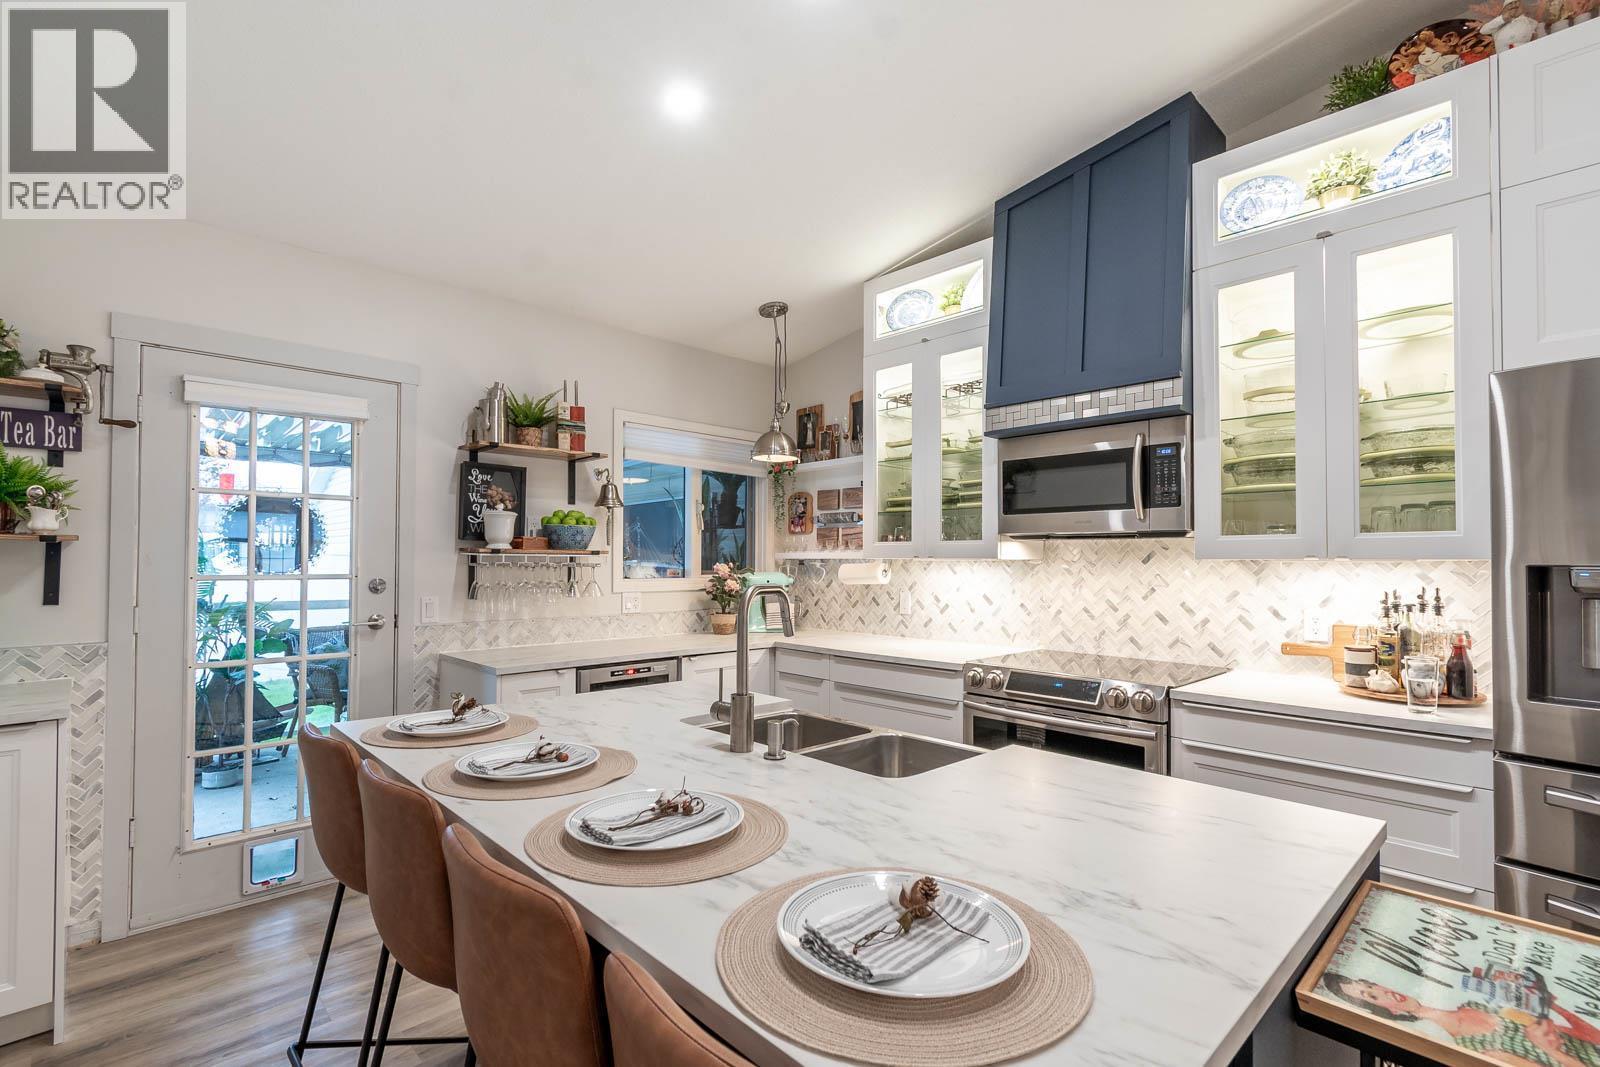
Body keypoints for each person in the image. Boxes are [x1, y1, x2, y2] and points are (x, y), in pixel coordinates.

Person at [1322, 971, 1600, 1067]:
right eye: (1372, 996)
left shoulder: (1470, 1003)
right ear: (1390, 1012)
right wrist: (1552, 1051)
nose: (1382, 991)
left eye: (1371, 985)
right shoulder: (1480, 1049)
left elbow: (1547, 1012)